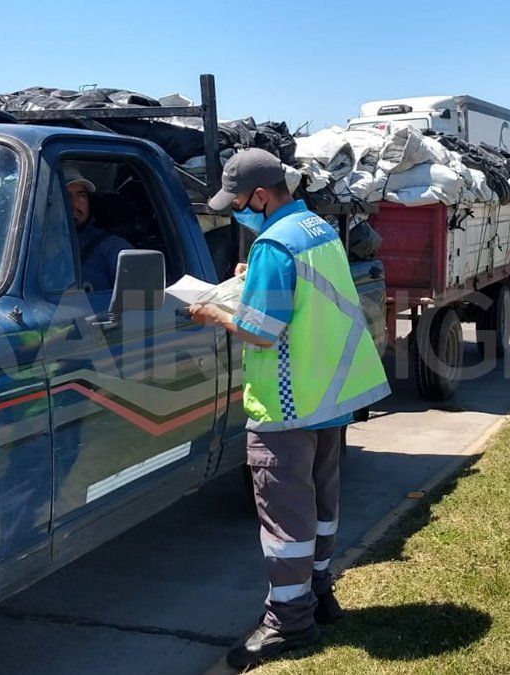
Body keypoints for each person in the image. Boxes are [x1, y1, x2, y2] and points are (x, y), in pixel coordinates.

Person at [188, 149, 390, 669]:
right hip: (328, 398)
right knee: (321, 508)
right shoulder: (314, 229)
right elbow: (306, 297)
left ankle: (288, 620)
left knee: (285, 522)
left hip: (288, 406)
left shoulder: (274, 247)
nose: (235, 210)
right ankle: (320, 595)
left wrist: (214, 313)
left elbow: (260, 331)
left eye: (236, 201)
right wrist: (251, 273)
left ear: (258, 196)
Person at [66, 175, 133, 292]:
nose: (75, 205)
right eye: (66, 196)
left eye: (81, 195)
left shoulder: (112, 247)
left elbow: (139, 300)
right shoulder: (31, 243)